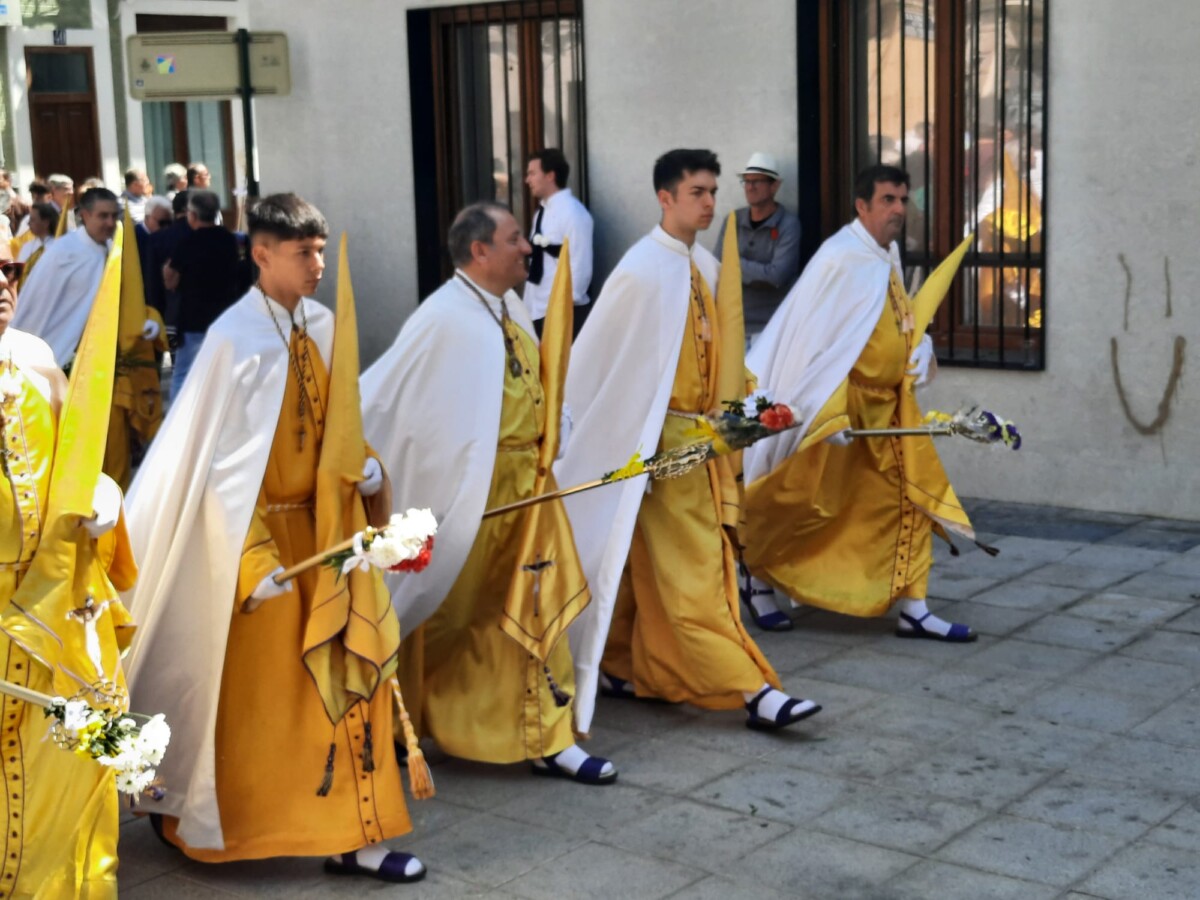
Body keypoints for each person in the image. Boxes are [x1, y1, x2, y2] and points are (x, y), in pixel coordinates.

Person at [122, 193, 425, 883]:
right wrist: (251, 561)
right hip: (259, 552)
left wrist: (369, 469)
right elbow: (219, 471)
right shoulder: (234, 339)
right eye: (301, 252)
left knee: (355, 675)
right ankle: (212, 820)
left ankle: (359, 834)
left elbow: (338, 424)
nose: (317, 265)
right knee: (263, 706)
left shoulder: (321, 324)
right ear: (261, 254)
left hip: (330, 538)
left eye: (321, 250)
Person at [556, 149, 820, 735]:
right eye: (697, 192)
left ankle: (622, 664)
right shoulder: (640, 270)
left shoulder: (703, 264)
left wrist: (756, 404)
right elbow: (599, 364)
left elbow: (722, 355)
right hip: (662, 451)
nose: (709, 202)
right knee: (698, 574)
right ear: (666, 198)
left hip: (702, 442)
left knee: (641, 568)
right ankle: (754, 689)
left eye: (712, 191)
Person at [362, 202, 616, 785]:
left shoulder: (509, 307)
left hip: (528, 490)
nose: (528, 247)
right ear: (480, 251)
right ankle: (412, 721)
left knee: (538, 604)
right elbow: (392, 401)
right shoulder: (445, 318)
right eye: (513, 239)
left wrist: (558, 423)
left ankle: (548, 736)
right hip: (474, 496)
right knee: (451, 616)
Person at [739, 164, 978, 641]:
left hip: (887, 411)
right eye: (888, 200)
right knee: (801, 501)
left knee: (908, 501)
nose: (898, 210)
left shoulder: (884, 253)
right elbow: (814, 347)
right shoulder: (840, 258)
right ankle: (757, 575)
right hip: (839, 411)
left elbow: (899, 317)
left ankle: (915, 605)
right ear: (862, 205)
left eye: (903, 200)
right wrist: (820, 414)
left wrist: (920, 347)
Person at [0, 229, 139, 897]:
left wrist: (105, 494)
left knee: (67, 793)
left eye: (7, 268)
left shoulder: (31, 358)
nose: (5, 283)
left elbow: (72, 465)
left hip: (50, 624)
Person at [13, 188, 157, 364]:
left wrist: (143, 319)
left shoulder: (115, 249)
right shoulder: (62, 252)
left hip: (107, 352)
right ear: (85, 215)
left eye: (114, 215)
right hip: (63, 353)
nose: (110, 223)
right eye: (103, 216)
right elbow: (35, 304)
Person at [713, 152, 801, 343]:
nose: (750, 187)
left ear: (774, 186)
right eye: (746, 181)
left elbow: (776, 276)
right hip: (732, 326)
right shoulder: (733, 220)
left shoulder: (788, 225)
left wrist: (733, 263)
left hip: (771, 328)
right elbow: (717, 266)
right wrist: (755, 271)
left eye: (757, 181)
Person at [163, 190, 241, 396]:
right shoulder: (229, 239)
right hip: (226, 315)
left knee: (183, 373)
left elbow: (170, 280)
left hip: (193, 317)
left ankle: (176, 420)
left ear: (192, 215)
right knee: (224, 374)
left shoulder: (188, 241)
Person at [522, 149, 593, 338]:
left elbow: (580, 265)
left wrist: (562, 309)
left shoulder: (573, 213)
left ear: (550, 175)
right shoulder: (541, 213)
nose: (527, 180)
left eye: (532, 173)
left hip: (561, 314)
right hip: (538, 310)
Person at [15, 202, 58, 288]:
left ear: (46, 223)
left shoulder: (59, 247)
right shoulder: (26, 247)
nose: (28, 224)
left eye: (33, 220)